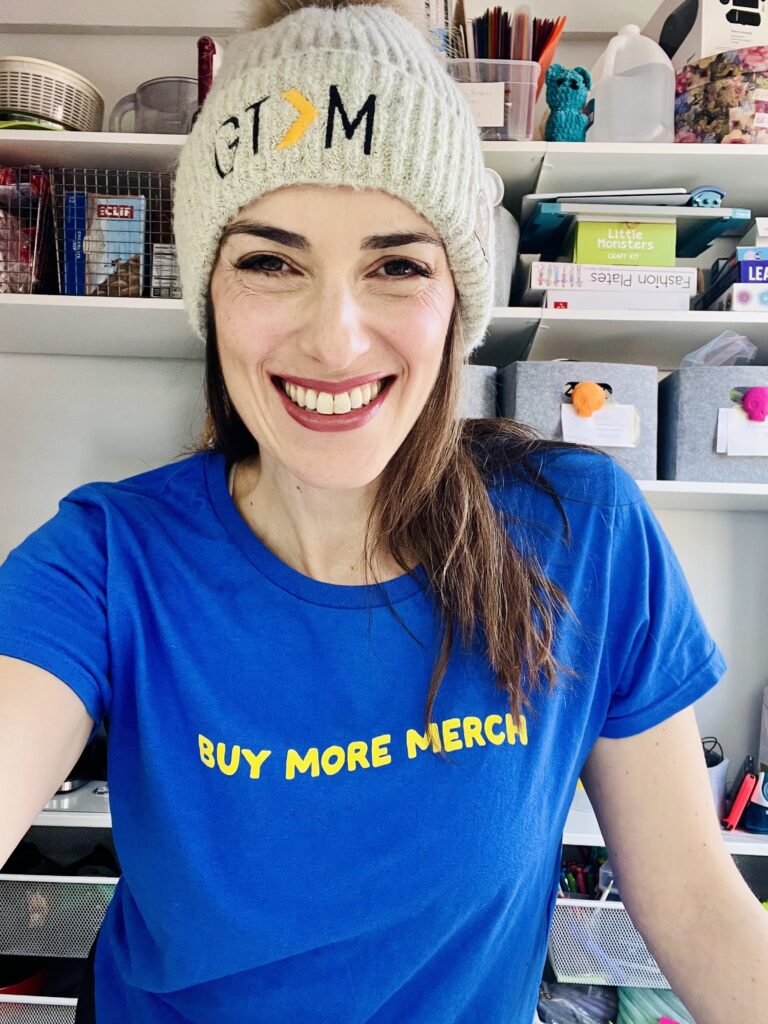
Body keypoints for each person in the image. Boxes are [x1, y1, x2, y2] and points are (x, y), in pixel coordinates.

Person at [1, 1, 767, 1021]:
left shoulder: (581, 535)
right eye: (271, 261)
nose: (335, 338)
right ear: (211, 290)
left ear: (457, 299)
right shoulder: (105, 560)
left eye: (397, 264)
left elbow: (699, 907)